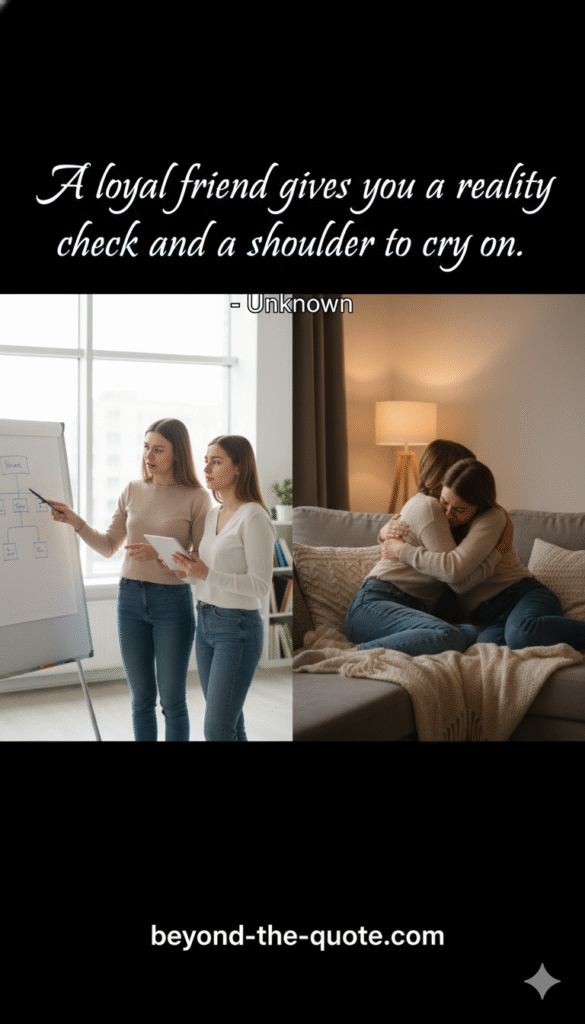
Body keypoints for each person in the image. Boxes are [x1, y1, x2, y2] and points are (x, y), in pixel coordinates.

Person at [50, 418, 211, 741]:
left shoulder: (197, 497)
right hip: (130, 600)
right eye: (146, 447)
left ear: (177, 453)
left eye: (158, 449)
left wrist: (160, 553)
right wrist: (76, 521)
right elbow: (109, 545)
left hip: (172, 602)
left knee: (172, 702)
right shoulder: (133, 490)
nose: (148, 455)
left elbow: (199, 562)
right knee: (141, 700)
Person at [382, 457, 585, 651]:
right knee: (483, 649)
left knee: (522, 634)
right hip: (488, 617)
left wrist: (401, 550)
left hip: (521, 596)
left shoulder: (491, 518)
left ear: (479, 506)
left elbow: (456, 578)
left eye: (459, 509)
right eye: (444, 502)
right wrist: (384, 531)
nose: (448, 514)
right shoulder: (442, 520)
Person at [344, 440, 512, 656]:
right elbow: (455, 575)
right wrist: (499, 551)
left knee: (472, 633)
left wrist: (383, 534)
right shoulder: (429, 506)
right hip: (375, 604)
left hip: (409, 611)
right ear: (445, 474)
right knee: (449, 636)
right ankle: (349, 655)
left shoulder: (445, 512)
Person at [168, 435, 277, 741]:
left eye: (216, 462)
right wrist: (185, 572)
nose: (206, 469)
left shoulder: (254, 517)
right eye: (206, 461)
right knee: (230, 726)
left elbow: (260, 586)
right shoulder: (213, 514)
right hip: (205, 622)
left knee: (217, 729)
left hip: (237, 628)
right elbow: (206, 575)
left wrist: (207, 573)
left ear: (239, 467)